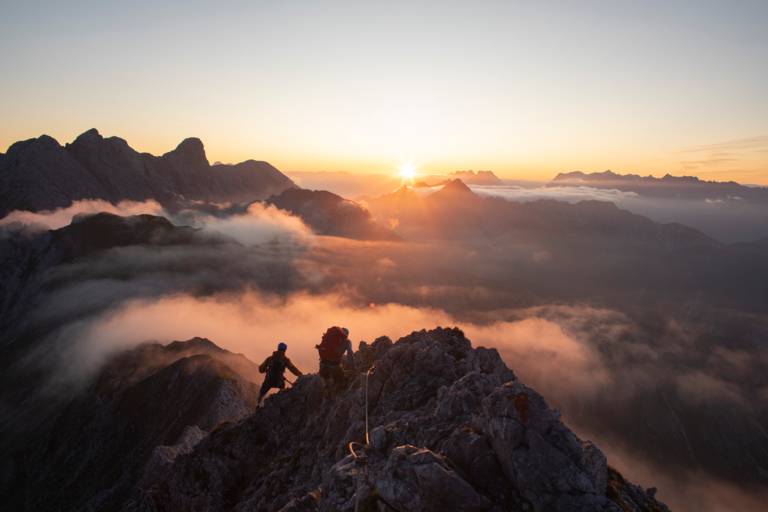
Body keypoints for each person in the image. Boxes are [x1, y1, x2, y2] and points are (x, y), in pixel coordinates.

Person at [316, 326, 354, 393]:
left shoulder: (330, 339)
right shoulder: (347, 341)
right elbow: (350, 353)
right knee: (342, 383)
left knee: (327, 382)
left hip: (322, 364)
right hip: (334, 366)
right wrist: (352, 366)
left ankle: (327, 389)